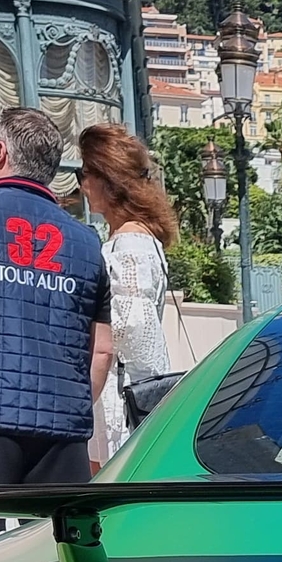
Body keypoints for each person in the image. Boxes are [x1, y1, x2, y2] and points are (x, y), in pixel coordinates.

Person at [0, 107, 110, 483]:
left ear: (1, 152)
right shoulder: (87, 242)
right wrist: (74, 404)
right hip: (62, 424)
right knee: (55, 536)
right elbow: (102, 349)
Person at [77, 122, 178, 452]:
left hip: (117, 407)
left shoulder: (129, 247)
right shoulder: (139, 239)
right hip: (121, 401)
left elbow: (133, 335)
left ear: (109, 180)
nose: (82, 185)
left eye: (85, 174)